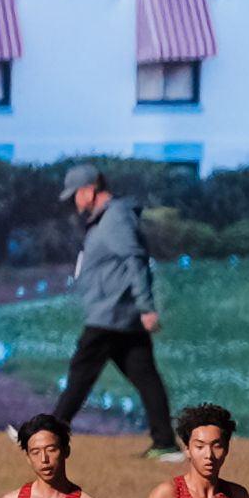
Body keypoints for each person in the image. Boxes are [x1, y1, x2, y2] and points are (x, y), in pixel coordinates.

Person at [41, 168, 176, 450]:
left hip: (110, 314)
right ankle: (165, 444)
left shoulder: (115, 218)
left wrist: (146, 307)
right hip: (117, 314)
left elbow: (134, 260)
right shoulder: (105, 219)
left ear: (90, 190)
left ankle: (47, 437)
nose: (75, 203)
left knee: (80, 374)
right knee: (145, 376)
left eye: (76, 195)